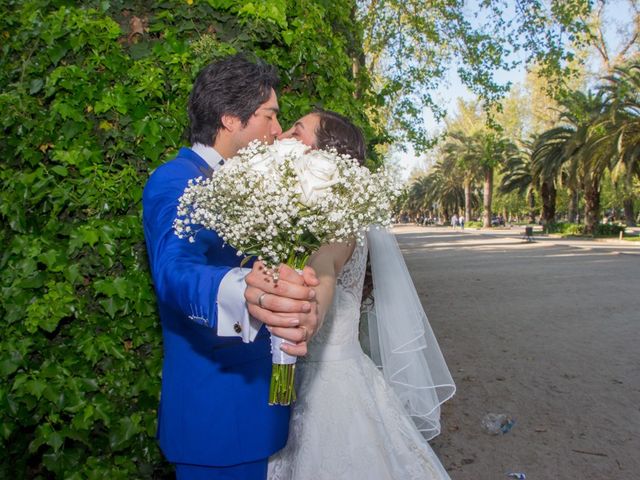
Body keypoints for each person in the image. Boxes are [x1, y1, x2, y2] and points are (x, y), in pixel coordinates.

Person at [142, 54, 321, 479]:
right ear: (230, 119)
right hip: (215, 418)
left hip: (254, 409)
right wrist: (245, 292)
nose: (278, 130)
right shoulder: (176, 179)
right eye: (270, 116)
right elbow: (174, 270)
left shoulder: (249, 182)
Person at [268, 110, 456, 479]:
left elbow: (323, 271)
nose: (283, 134)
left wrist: (309, 317)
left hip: (331, 393)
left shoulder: (342, 224)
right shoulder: (297, 218)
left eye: (297, 130)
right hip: (298, 384)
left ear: (327, 156)